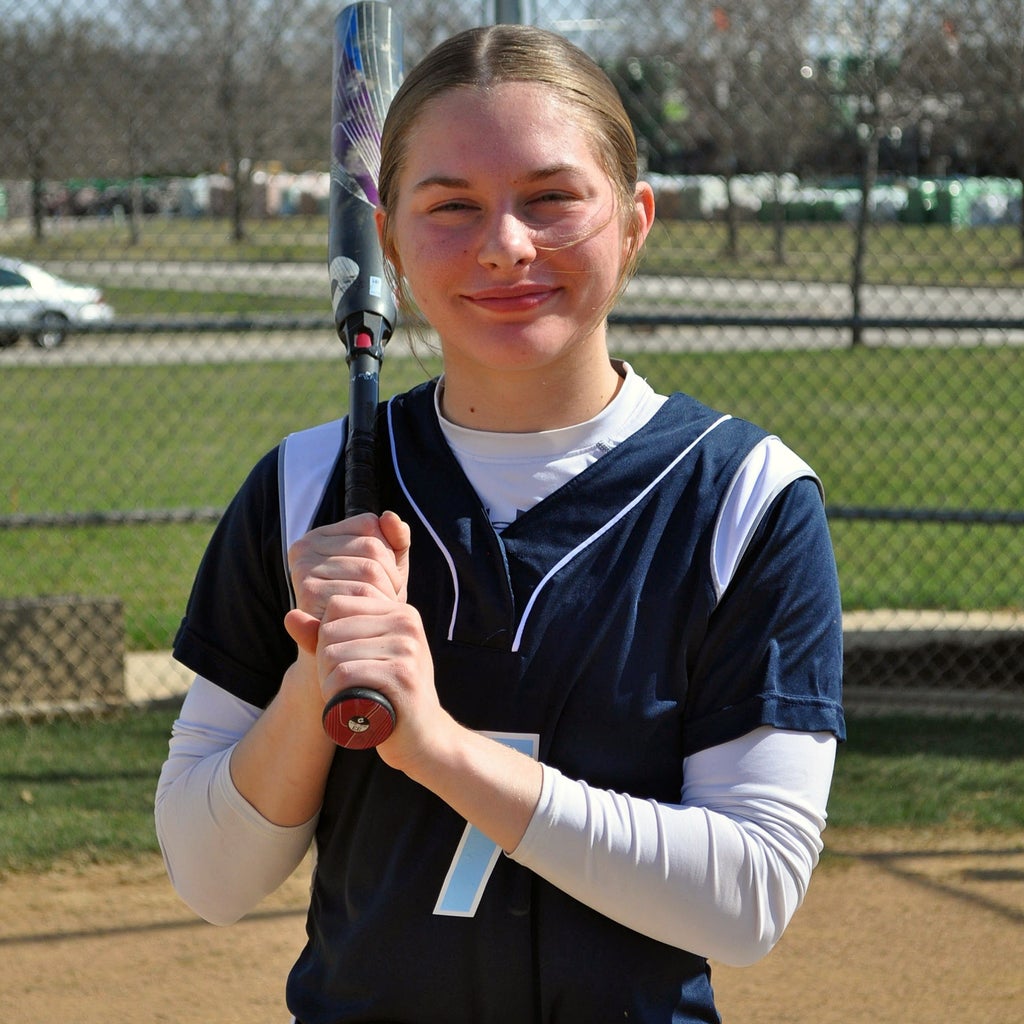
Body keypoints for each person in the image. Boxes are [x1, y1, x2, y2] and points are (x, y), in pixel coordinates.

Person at [156, 23, 845, 1024]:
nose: (504, 245)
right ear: (387, 237)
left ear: (635, 221)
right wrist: (316, 679)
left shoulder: (744, 498)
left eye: (552, 197)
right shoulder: (307, 487)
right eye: (450, 206)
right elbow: (209, 879)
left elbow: (747, 900)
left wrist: (436, 746)